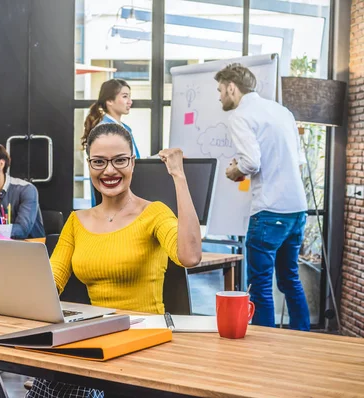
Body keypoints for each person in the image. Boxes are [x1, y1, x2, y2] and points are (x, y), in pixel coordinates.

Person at [27, 123, 202, 398]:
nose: (109, 171)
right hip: (97, 338)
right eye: (99, 162)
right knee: (56, 375)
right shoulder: (76, 221)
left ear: (133, 163)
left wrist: (178, 176)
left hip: (145, 341)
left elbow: (190, 256)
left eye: (120, 160)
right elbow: (49, 286)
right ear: (89, 165)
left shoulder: (154, 213)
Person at [215, 63, 310, 331]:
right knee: (290, 279)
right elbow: (298, 161)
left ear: (232, 87)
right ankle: (304, 339)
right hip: (296, 210)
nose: (220, 96)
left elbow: (252, 162)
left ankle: (265, 351)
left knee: (260, 286)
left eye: (221, 90)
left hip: (269, 211)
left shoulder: (240, 115)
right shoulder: (283, 112)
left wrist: (235, 171)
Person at [82, 78, 139, 207]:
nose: (130, 101)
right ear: (109, 101)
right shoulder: (103, 131)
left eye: (129, 97)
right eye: (125, 96)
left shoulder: (125, 129)